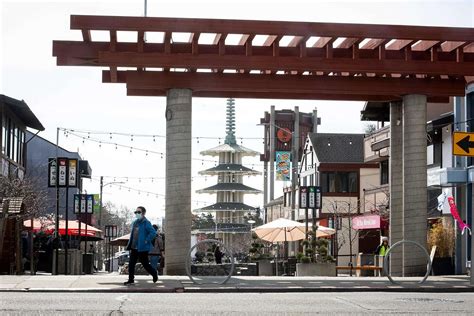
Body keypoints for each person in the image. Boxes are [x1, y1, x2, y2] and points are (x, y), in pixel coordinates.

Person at [124, 206, 158, 285]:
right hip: (134, 247)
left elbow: (153, 233)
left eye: (139, 212)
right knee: (131, 264)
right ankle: (131, 279)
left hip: (142, 248)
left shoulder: (146, 223)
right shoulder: (135, 222)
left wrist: (146, 240)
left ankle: (154, 273)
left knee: (145, 264)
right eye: (136, 212)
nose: (137, 214)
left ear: (143, 213)